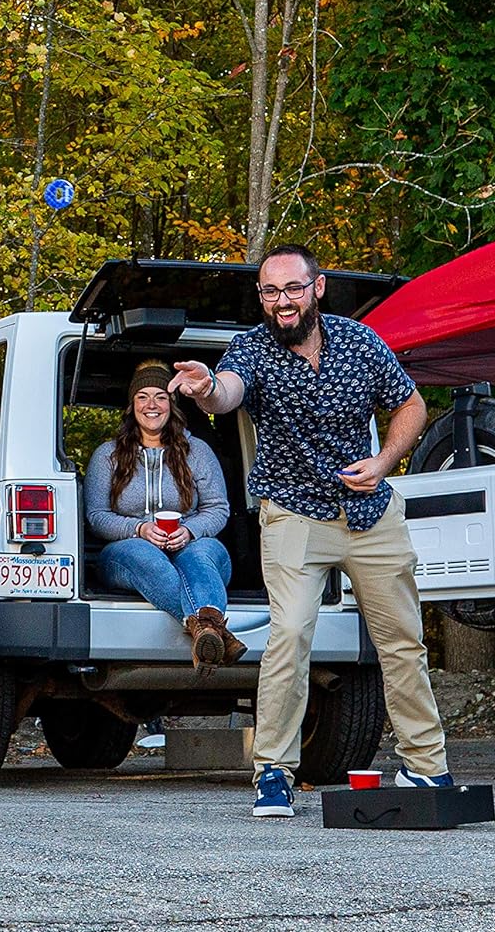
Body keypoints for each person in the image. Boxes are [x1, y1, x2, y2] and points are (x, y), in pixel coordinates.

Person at [169, 244, 452, 818]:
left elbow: (412, 406)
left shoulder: (360, 342)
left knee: (401, 642)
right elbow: (228, 392)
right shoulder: (252, 348)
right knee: (291, 634)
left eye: (292, 289)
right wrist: (205, 389)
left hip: (369, 512)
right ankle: (273, 771)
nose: (282, 302)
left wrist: (384, 461)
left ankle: (428, 768)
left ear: (316, 288)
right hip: (294, 513)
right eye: (270, 292)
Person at [85, 360, 244, 672]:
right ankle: (215, 630)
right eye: (142, 396)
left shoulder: (196, 451)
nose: (151, 404)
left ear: (172, 404)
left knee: (205, 552)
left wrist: (190, 531)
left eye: (160, 396)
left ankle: (204, 630)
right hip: (128, 552)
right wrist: (139, 529)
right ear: (132, 406)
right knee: (142, 553)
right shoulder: (108, 455)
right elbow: (96, 516)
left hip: (188, 543)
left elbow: (218, 509)